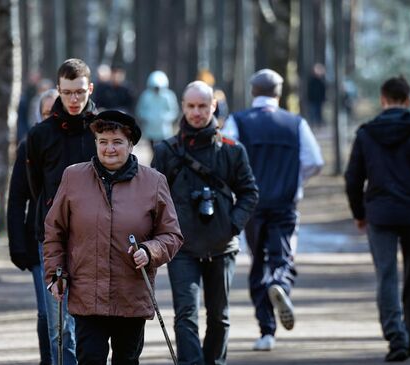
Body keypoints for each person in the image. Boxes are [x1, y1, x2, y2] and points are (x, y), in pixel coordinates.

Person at [43, 110, 183, 364]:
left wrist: (150, 250)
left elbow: (172, 235)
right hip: (87, 295)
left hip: (131, 295)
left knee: (127, 360)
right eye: (103, 141)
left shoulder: (154, 182)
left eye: (117, 142)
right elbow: (54, 230)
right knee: (89, 359)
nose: (109, 148)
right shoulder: (73, 177)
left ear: (130, 145)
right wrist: (55, 272)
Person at [344, 76, 410, 362]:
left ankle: (396, 337)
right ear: (408, 101)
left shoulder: (366, 134)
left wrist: (359, 213)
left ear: (383, 100)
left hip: (379, 215)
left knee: (387, 276)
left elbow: (353, 178)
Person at [152, 81, 259, 365]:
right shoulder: (166, 151)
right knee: (186, 314)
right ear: (183, 107)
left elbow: (250, 192)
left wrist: (232, 225)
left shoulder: (232, 150)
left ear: (213, 106)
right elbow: (152, 198)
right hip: (181, 248)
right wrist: (162, 236)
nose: (197, 112)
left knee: (219, 316)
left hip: (222, 246)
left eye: (202, 106)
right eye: (191, 106)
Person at [222, 69, 324, 351]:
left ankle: (266, 330)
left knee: (258, 260)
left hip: (251, 204)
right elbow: (315, 160)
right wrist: (296, 179)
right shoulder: (295, 123)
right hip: (285, 203)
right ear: (279, 93)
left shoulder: (238, 121)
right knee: (283, 255)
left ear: (253, 91)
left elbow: (226, 157)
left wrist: (236, 187)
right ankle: (281, 283)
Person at [27, 58, 98, 365]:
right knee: (60, 329)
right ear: (57, 90)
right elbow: (33, 186)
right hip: (53, 239)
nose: (74, 99)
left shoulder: (102, 130)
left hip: (96, 239)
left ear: (90, 89)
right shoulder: (40, 135)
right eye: (67, 92)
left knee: (94, 325)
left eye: (80, 92)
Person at [7, 88, 58, 364]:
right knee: (45, 312)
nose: (51, 118)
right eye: (47, 113)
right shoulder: (29, 146)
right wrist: (17, 245)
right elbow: (17, 198)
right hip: (37, 236)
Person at [136, 70, 180, 149]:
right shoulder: (146, 96)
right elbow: (140, 110)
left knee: (164, 150)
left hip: (164, 130)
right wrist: (147, 117)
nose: (157, 89)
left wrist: (165, 118)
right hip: (150, 130)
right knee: (153, 150)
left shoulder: (168, 96)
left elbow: (174, 111)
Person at [306, 63, 326, 128]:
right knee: (312, 113)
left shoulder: (321, 81)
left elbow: (323, 91)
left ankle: (318, 125)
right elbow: (309, 91)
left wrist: (323, 98)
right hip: (312, 100)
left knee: (318, 114)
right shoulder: (311, 81)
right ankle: (312, 125)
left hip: (319, 100)